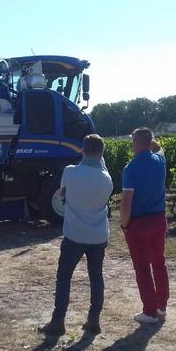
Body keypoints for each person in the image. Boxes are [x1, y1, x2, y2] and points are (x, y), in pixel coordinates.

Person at [39, 134, 114, 336]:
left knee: (64, 277)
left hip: (74, 235)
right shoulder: (106, 179)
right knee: (96, 277)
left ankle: (58, 321)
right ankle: (93, 319)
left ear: (83, 150)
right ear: (102, 153)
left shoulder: (70, 172)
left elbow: (62, 194)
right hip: (98, 236)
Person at [121, 128, 168, 325]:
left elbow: (126, 202)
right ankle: (161, 305)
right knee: (159, 262)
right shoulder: (160, 161)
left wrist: (124, 224)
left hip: (139, 222)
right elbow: (159, 149)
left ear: (137, 142)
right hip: (159, 219)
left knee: (142, 267)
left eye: (133, 141)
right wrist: (151, 143)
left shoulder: (130, 168)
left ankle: (149, 312)